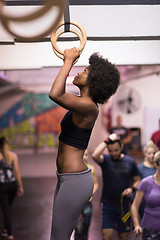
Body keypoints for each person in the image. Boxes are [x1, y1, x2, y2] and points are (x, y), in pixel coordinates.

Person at [49, 47, 120, 240]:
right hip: (67, 177)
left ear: (93, 82)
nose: (80, 71)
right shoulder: (82, 103)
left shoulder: (89, 108)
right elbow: (59, 94)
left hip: (75, 180)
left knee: (59, 237)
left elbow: (55, 94)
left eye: (86, 71)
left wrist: (68, 61)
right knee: (57, 235)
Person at [92, 133, 141, 240]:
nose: (113, 153)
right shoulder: (105, 160)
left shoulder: (130, 162)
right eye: (111, 151)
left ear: (121, 147)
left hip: (124, 206)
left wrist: (131, 189)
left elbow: (138, 180)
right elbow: (95, 155)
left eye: (116, 150)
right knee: (107, 236)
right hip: (107, 205)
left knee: (123, 237)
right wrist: (107, 140)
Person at [131, 151, 160, 240]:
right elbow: (134, 206)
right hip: (150, 228)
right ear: (156, 165)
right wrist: (136, 225)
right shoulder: (146, 182)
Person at [0, 137, 24, 240]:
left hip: (2, 187)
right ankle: (5, 227)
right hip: (13, 186)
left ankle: (10, 234)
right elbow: (17, 172)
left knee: (6, 210)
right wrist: (20, 186)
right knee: (7, 208)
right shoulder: (13, 155)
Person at [74, 149, 99, 240]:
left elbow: (96, 183)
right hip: (76, 205)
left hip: (87, 204)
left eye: (86, 154)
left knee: (86, 228)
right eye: (82, 155)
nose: (84, 157)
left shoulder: (91, 169)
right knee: (78, 229)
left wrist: (91, 191)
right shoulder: (73, 168)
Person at [137, 140, 158, 219]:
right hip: (144, 201)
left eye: (153, 153)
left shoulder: (158, 167)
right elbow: (137, 184)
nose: (152, 155)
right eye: (149, 153)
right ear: (145, 154)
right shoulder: (140, 168)